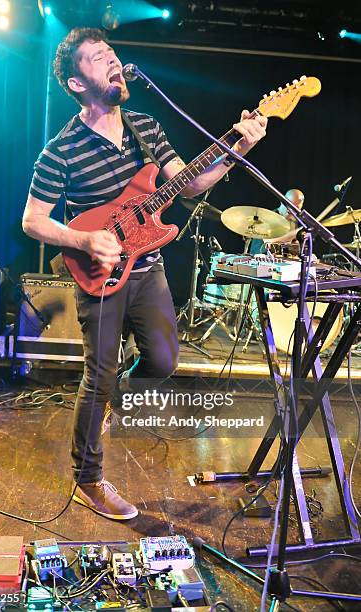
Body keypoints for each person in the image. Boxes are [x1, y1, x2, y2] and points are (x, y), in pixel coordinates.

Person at [22, 27, 267, 520]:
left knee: (164, 361)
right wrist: (86, 239)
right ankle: (88, 479)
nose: (112, 60)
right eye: (97, 58)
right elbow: (32, 220)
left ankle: (114, 398)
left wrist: (238, 148)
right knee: (99, 374)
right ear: (76, 83)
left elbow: (190, 185)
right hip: (102, 275)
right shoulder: (60, 150)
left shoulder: (146, 127)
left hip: (149, 266)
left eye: (111, 53)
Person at [249, 188, 305, 254]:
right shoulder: (267, 218)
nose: (292, 210)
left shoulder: (293, 222)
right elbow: (267, 243)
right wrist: (296, 233)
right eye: (290, 205)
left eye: (296, 208)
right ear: (282, 201)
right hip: (260, 259)